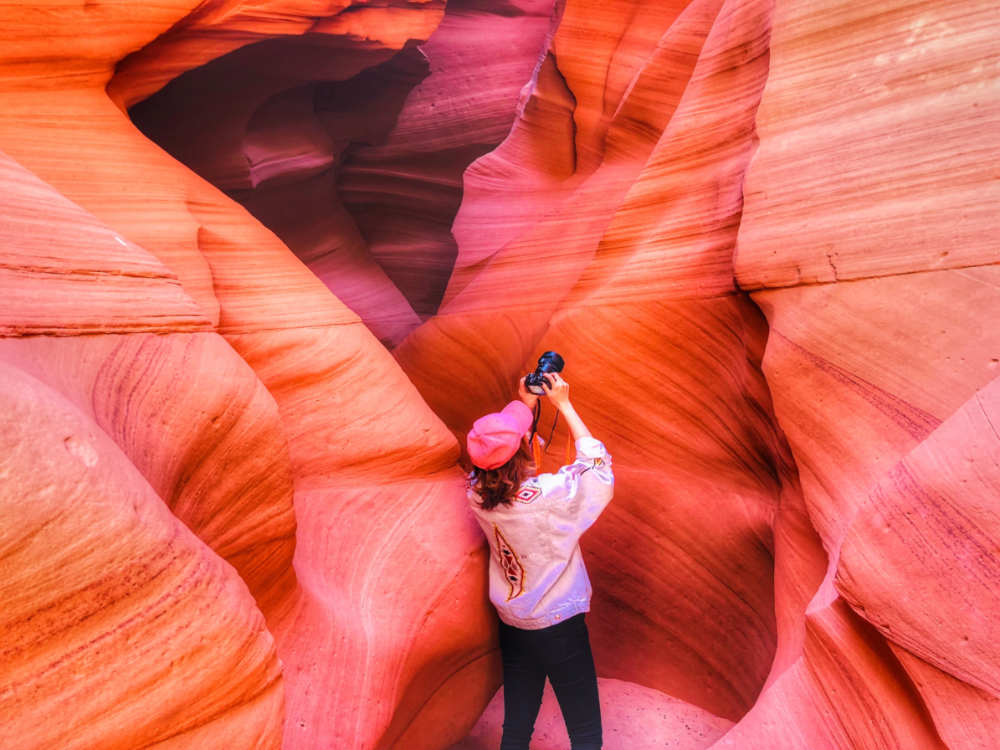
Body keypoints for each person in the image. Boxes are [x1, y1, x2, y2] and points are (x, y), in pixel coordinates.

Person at [465, 372, 614, 750]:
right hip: (558, 625)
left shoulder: (476, 493)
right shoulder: (547, 496)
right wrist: (564, 404)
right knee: (585, 735)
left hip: (513, 623)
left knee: (516, 727)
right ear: (522, 452)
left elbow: (494, 456)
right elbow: (597, 469)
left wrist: (524, 404)